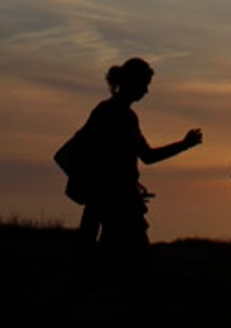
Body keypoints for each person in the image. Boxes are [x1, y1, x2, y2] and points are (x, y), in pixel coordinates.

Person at [60, 57, 203, 306]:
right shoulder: (110, 113)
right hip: (117, 204)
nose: (147, 90)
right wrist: (184, 145)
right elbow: (127, 157)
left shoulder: (124, 115)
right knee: (140, 267)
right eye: (144, 84)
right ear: (131, 82)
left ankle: (50, 312)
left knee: (103, 273)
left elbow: (144, 157)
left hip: (119, 201)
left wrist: (183, 145)